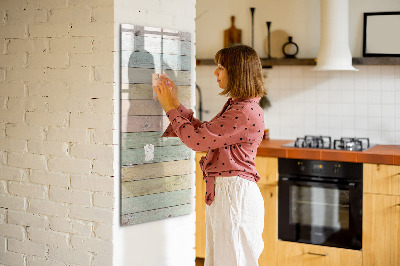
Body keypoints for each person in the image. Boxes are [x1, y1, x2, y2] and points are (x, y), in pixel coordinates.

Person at [153, 44, 266, 266]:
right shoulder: (239, 106)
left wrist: (169, 108)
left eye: (221, 67)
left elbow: (197, 141)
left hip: (234, 196)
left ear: (237, 71)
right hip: (228, 194)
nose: (215, 72)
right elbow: (205, 133)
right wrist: (175, 103)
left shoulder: (243, 111)